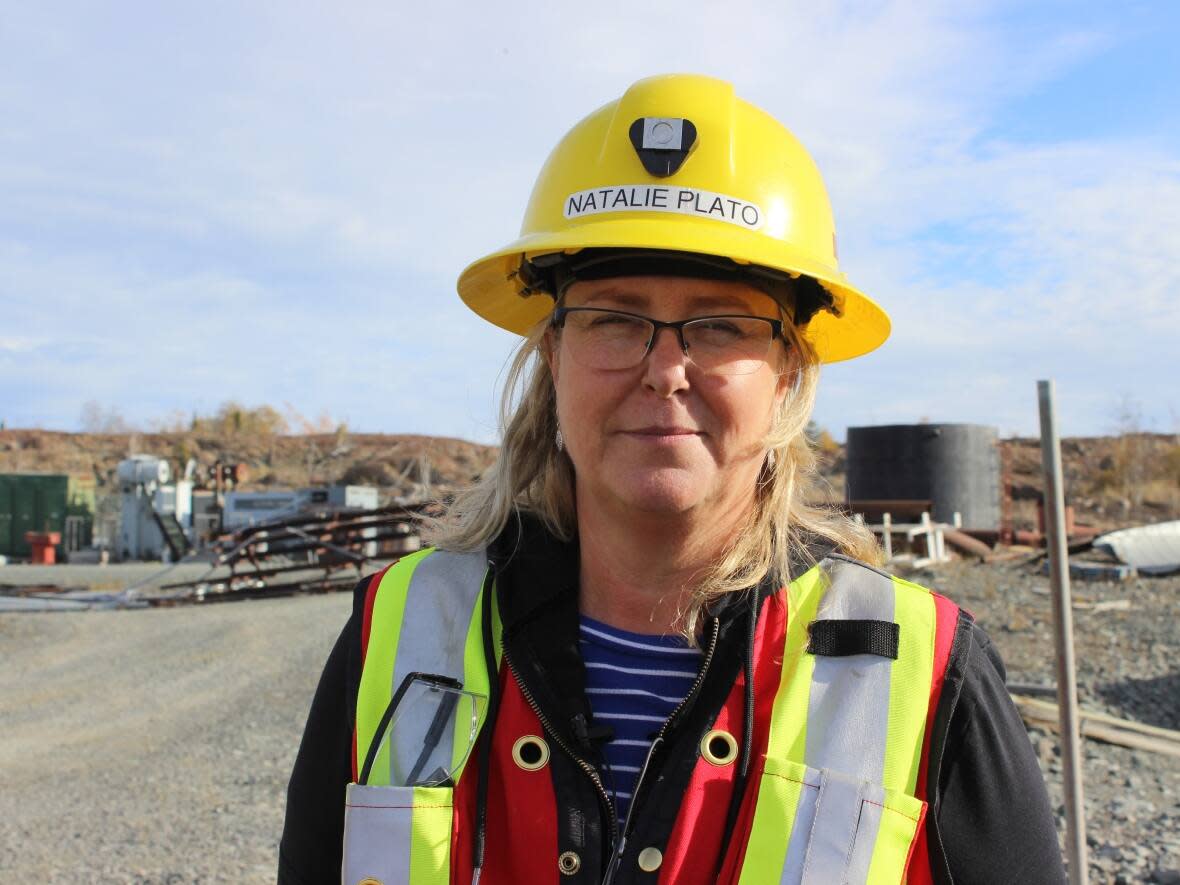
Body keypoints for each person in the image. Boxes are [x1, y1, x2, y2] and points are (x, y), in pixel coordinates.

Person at [279, 74, 1065, 885]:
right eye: (615, 317)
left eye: (720, 324)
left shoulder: (924, 677)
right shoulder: (397, 638)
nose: (666, 370)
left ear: (788, 370)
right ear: (554, 355)